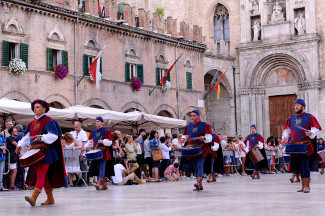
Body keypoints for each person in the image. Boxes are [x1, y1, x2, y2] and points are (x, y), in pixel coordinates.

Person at [16, 99, 65, 206]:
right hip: (35, 152)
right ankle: (50, 198)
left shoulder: (49, 121)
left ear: (44, 109)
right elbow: (27, 136)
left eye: (38, 107)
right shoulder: (32, 122)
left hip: (46, 151)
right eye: (34, 107)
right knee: (44, 176)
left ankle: (34, 197)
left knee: (41, 174)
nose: (35, 109)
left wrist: (41, 137)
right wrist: (20, 145)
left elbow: (54, 136)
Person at [282, 99, 322, 193]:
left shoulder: (309, 117)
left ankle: (307, 186)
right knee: (299, 166)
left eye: (298, 105)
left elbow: (316, 129)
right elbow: (287, 131)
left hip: (305, 146)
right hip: (294, 147)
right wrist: (284, 137)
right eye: (295, 105)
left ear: (303, 107)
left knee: (305, 165)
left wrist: (311, 132)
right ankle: (302, 186)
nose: (296, 107)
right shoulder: (291, 118)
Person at [182, 110, 213, 191]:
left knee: (199, 165)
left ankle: (198, 183)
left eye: (194, 115)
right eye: (191, 116)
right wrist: (182, 139)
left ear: (198, 116)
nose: (192, 117)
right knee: (195, 167)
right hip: (192, 149)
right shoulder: (188, 126)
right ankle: (200, 185)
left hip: (201, 148)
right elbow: (185, 136)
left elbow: (210, 137)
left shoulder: (205, 125)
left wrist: (204, 138)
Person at [83, 116, 114, 190]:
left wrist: (103, 141)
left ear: (102, 122)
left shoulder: (107, 131)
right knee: (98, 168)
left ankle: (99, 182)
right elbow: (90, 141)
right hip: (96, 151)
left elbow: (110, 142)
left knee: (102, 167)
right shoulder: (93, 131)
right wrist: (86, 146)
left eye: (98, 121)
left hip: (104, 151)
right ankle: (104, 184)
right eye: (96, 121)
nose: (97, 123)